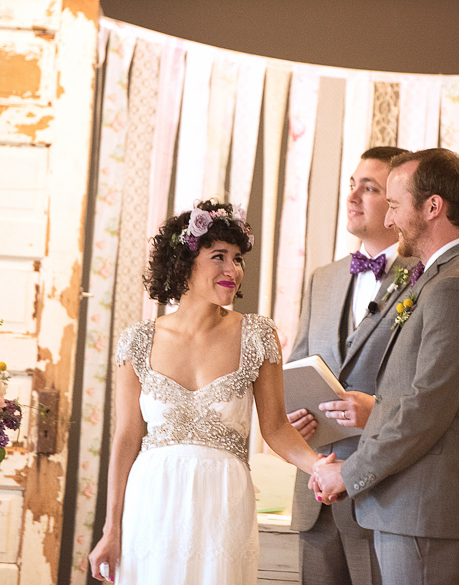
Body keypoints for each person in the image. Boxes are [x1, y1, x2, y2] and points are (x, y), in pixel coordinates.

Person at [88, 200, 319, 584]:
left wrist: (320, 467)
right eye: (219, 257)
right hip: (152, 501)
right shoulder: (138, 341)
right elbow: (127, 437)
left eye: (238, 258)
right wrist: (112, 529)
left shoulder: (258, 335)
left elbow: (276, 428)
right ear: (184, 265)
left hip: (222, 500)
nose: (233, 270)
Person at [311, 149, 459, 585]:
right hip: (412, 509)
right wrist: (375, 409)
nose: (390, 220)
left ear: (432, 206)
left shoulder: (456, 286)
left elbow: (425, 412)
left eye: (396, 206)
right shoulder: (439, 277)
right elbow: (419, 398)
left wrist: (350, 471)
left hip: (425, 511)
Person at [285, 146, 415, 585]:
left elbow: (425, 390)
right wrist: (291, 419)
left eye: (370, 188)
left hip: (381, 495)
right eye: (352, 185)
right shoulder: (323, 278)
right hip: (315, 495)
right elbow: (296, 366)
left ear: (397, 201)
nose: (354, 195)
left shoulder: (427, 280)